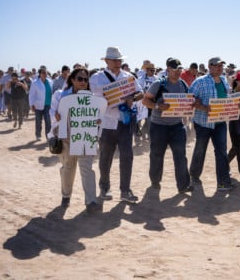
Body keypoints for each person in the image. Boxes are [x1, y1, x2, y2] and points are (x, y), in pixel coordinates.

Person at [89, 46, 143, 203]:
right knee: (105, 157)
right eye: (114, 60)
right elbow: (91, 99)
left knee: (127, 156)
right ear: (106, 61)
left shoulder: (129, 77)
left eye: (120, 60)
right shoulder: (97, 78)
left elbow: (140, 93)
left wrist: (133, 98)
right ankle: (104, 187)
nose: (118, 62)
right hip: (106, 123)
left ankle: (125, 190)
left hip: (124, 122)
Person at [50, 67, 102, 213]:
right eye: (80, 79)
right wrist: (56, 115)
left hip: (86, 136)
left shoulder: (92, 98)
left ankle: (91, 201)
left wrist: (97, 120)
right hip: (66, 138)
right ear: (72, 80)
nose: (83, 82)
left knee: (87, 169)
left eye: (86, 79)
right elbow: (52, 112)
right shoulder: (60, 95)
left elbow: (98, 114)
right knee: (68, 168)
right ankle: (66, 196)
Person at [142, 58, 194, 193]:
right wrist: (158, 106)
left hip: (177, 126)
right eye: (175, 69)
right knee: (157, 155)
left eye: (180, 69)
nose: (178, 72)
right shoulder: (158, 84)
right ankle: (155, 181)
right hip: (159, 126)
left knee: (180, 155)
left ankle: (183, 185)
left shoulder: (183, 85)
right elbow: (145, 100)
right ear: (168, 70)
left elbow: (188, 101)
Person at [189, 57, 235, 191]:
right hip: (203, 123)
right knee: (200, 149)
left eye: (221, 66)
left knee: (221, 152)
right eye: (217, 66)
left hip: (220, 122)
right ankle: (194, 175)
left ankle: (223, 182)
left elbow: (228, 97)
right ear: (210, 66)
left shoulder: (224, 80)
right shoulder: (200, 81)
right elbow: (190, 99)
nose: (220, 68)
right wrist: (203, 107)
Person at [29, 67, 53, 140]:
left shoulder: (50, 82)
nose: (45, 74)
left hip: (48, 105)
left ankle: (48, 136)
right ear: (40, 74)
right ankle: (38, 135)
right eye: (43, 73)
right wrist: (32, 104)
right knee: (38, 121)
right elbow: (31, 94)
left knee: (48, 121)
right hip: (38, 105)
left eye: (46, 72)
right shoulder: (35, 83)